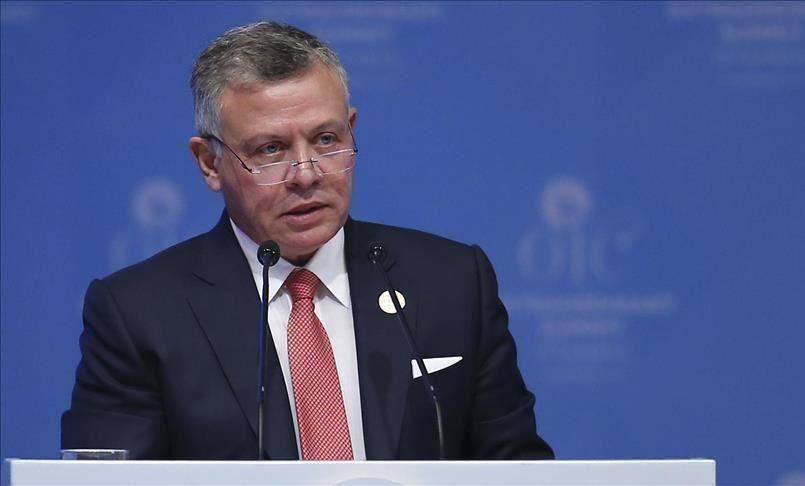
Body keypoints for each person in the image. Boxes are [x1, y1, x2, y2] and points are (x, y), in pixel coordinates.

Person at [61, 21, 553, 461]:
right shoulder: (139, 314)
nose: (306, 174)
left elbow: (518, 469)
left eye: (325, 140)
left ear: (351, 130)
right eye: (270, 149)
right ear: (209, 163)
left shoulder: (452, 283)